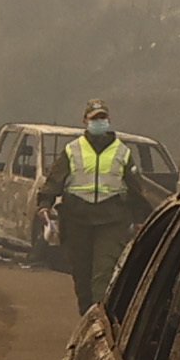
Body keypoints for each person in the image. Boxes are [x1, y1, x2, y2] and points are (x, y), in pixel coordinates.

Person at [55, 98, 152, 311]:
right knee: (82, 275)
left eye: (102, 117)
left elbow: (135, 189)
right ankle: (86, 319)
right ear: (85, 121)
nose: (99, 122)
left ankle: (98, 322)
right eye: (94, 118)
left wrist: (141, 219)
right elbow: (55, 180)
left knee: (103, 274)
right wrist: (43, 204)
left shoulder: (122, 152)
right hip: (77, 219)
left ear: (108, 120)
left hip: (112, 220)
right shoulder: (72, 150)